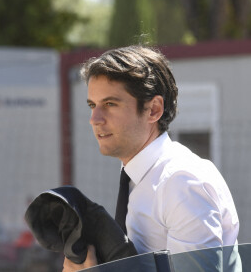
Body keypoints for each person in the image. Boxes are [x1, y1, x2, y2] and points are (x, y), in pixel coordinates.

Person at [62, 45, 239, 271]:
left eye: (110, 104)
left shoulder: (181, 181)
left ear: (154, 109)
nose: (95, 119)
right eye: (92, 105)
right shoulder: (139, 177)